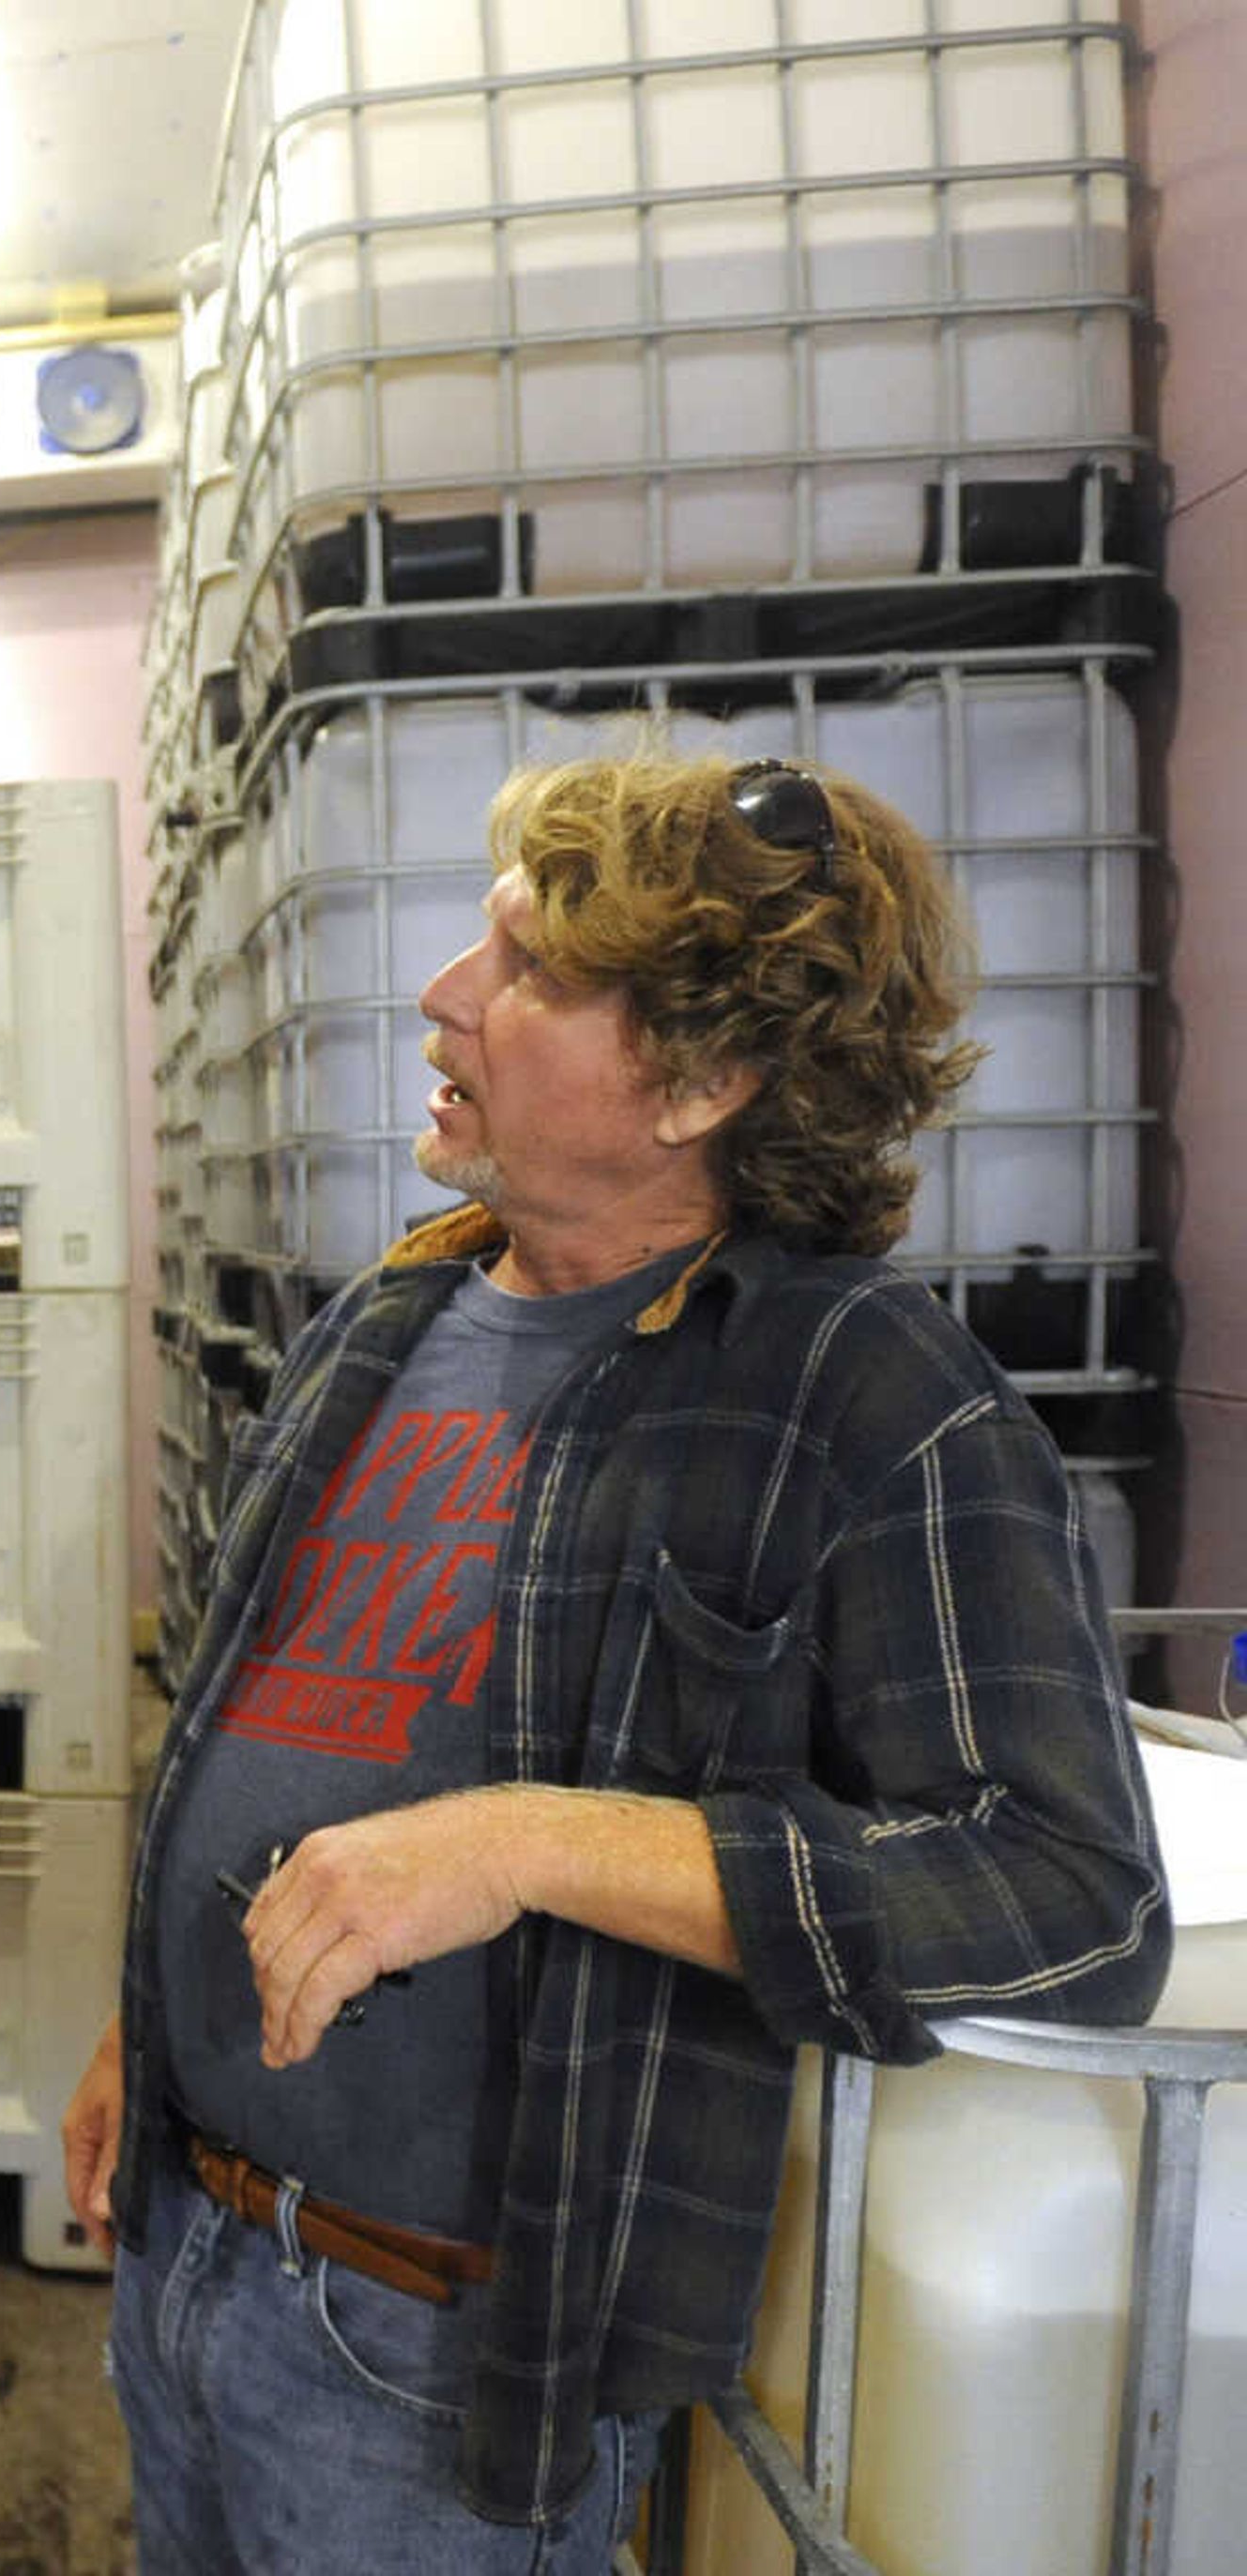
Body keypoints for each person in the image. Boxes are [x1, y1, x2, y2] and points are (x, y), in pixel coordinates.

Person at [64, 749, 1171, 2569]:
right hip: (187, 2256)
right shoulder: (391, 1311)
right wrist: (150, 2020)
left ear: (706, 1076)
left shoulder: (866, 1398)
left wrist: (522, 1840)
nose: (443, 996)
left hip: (434, 2361)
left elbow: (1071, 1894)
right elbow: (267, 1716)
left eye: (523, 968)